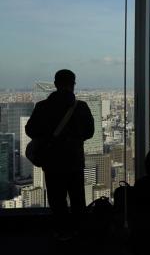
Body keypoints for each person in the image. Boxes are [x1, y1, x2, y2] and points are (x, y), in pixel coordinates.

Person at [25, 69, 94, 241]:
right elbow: (90, 132)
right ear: (73, 85)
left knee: (57, 200)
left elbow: (30, 130)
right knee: (78, 199)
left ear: (55, 84)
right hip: (74, 161)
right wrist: (74, 139)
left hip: (52, 161)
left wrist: (47, 137)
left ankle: (62, 232)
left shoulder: (42, 106)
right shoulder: (81, 107)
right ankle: (80, 233)